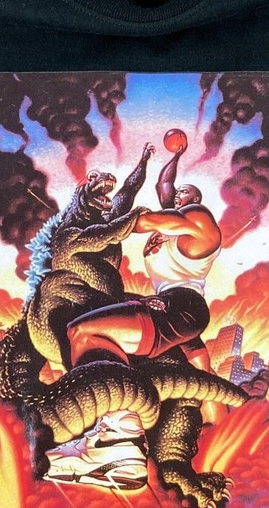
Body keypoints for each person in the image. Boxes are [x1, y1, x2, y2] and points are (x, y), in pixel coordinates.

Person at [65, 142, 221, 372]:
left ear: (196, 199)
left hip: (183, 305)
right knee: (203, 373)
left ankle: (119, 388)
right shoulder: (175, 224)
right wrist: (177, 155)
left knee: (79, 331)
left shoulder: (199, 219)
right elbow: (164, 184)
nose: (178, 194)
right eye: (178, 191)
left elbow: (144, 222)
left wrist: (106, 226)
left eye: (184, 191)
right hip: (173, 303)